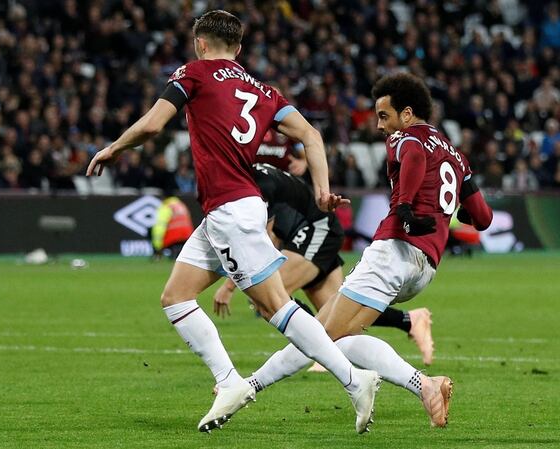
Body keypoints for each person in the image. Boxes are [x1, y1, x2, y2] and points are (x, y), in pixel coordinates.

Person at [87, 10, 380, 434]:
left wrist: (113, 148)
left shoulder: (194, 73)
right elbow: (312, 135)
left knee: (275, 307)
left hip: (231, 209)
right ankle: (228, 381)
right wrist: (322, 190)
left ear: (200, 43)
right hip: (230, 209)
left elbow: (153, 125)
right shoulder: (263, 90)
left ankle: (354, 380)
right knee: (176, 296)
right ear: (238, 49)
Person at [242, 73, 493, 428]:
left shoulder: (406, 137)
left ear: (407, 114)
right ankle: (425, 386)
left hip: (394, 251)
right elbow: (483, 217)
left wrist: (404, 206)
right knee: (339, 334)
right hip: (425, 268)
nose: (379, 125)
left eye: (384, 116)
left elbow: (414, 155)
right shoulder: (455, 155)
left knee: (317, 335)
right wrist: (459, 213)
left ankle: (245, 387)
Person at [212, 162, 435, 366]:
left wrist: (229, 286)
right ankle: (409, 320)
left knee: (269, 295)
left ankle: (320, 354)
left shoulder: (256, 186)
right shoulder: (256, 174)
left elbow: (263, 240)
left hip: (316, 230)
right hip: (310, 232)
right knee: (337, 310)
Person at [151, 191, 194, 260]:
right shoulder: (181, 205)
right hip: (187, 236)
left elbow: (159, 226)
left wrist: (157, 246)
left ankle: (160, 256)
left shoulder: (166, 206)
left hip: (173, 237)